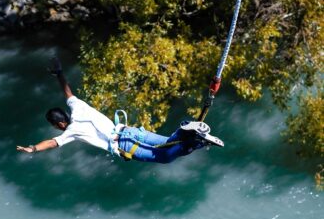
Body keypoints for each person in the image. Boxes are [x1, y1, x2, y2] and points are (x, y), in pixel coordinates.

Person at [16, 58, 224, 163]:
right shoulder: (77, 107)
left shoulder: (71, 132)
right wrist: (59, 73)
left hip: (123, 144)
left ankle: (196, 139)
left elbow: (52, 142)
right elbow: (67, 92)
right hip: (128, 131)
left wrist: (33, 149)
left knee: (165, 157)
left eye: (55, 126)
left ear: (59, 124)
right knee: (166, 142)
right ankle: (189, 133)